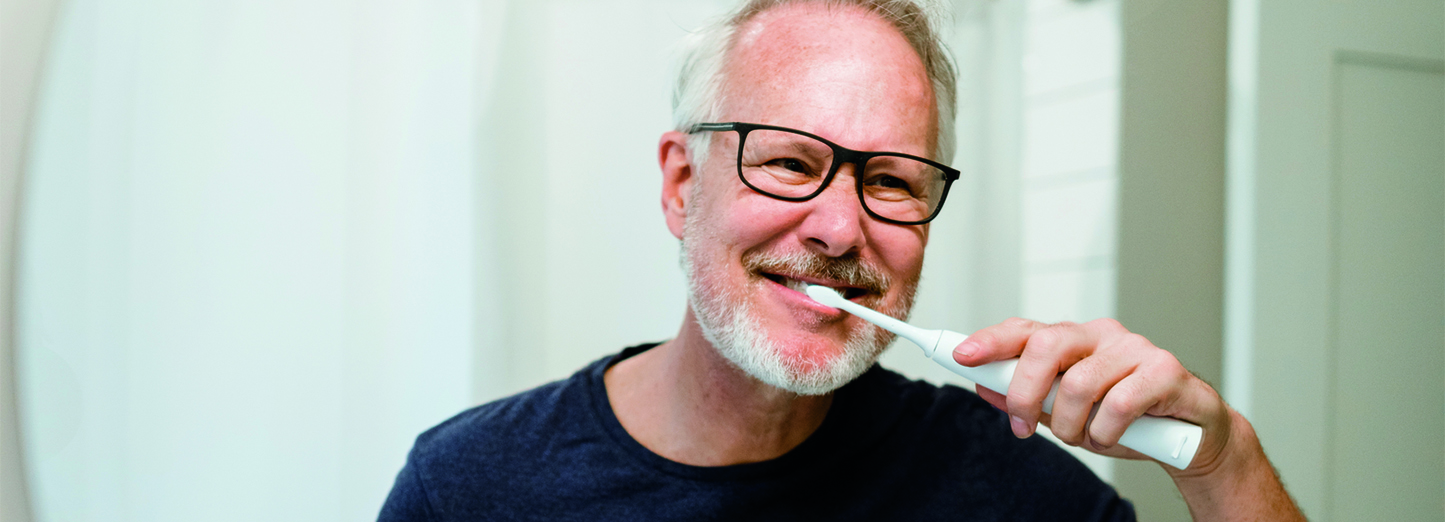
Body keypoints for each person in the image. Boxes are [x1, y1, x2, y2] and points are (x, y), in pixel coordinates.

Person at [379, 1, 1305, 520]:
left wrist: (1223, 462)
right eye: (788, 161)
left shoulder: (1013, 493)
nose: (837, 229)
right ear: (678, 185)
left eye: (892, 181)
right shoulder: (469, 487)